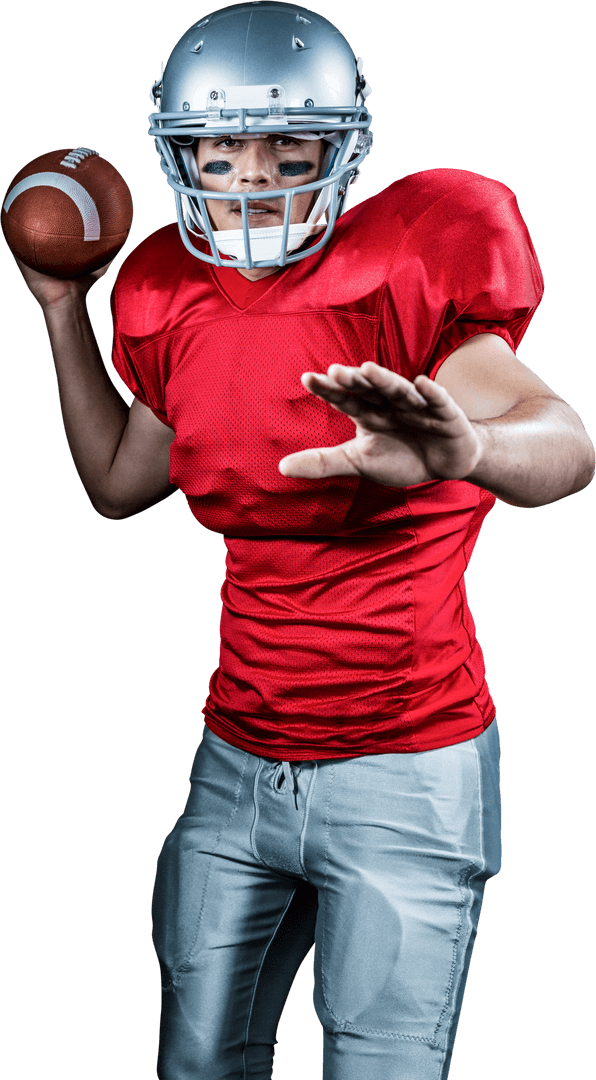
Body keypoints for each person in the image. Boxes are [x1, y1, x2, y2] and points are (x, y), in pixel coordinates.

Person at [10, 4, 594, 1078]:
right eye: (221, 156)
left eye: (291, 153)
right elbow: (115, 485)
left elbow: (562, 444)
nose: (255, 183)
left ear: (345, 150)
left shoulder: (414, 262)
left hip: (404, 761)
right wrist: (60, 310)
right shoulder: (164, 293)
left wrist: (464, 451)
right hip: (236, 760)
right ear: (180, 155)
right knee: (195, 1064)